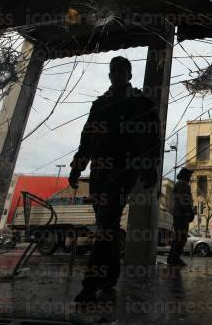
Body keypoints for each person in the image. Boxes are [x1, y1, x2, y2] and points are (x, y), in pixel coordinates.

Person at [69, 56, 160, 303]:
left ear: (130, 75)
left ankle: (91, 284)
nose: (118, 75)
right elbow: (87, 138)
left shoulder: (141, 103)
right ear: (110, 76)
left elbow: (151, 139)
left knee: (107, 221)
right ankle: (110, 276)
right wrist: (77, 167)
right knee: (106, 224)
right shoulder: (100, 104)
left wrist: (149, 169)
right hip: (100, 169)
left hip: (122, 169)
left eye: (123, 71)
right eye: (114, 71)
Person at [167, 168, 195, 266]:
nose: (190, 177)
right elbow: (185, 200)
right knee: (181, 237)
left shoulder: (180, 184)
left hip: (179, 214)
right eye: (189, 175)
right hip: (181, 215)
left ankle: (172, 258)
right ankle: (175, 259)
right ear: (185, 175)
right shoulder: (183, 185)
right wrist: (190, 212)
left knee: (178, 237)